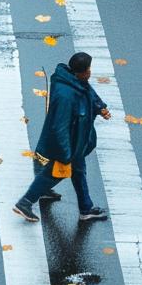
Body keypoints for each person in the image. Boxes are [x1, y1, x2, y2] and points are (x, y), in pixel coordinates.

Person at [13, 52, 110, 224]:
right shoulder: (66, 97)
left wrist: (99, 107)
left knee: (79, 172)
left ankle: (86, 208)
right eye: (88, 69)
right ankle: (25, 202)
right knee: (54, 174)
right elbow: (60, 127)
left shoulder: (75, 82)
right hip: (69, 147)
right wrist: (65, 154)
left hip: (76, 145)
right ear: (80, 72)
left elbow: (88, 93)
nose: (90, 72)